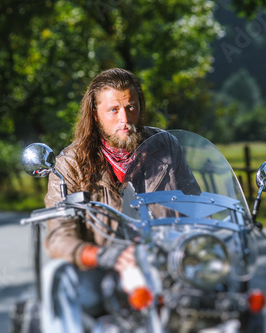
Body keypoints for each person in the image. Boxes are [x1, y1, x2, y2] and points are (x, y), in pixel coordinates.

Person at [41, 68, 199, 329]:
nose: (125, 119)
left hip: (164, 259)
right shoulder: (69, 164)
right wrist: (101, 255)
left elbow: (193, 204)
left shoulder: (166, 146)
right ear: (95, 114)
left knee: (223, 296)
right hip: (103, 266)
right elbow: (59, 237)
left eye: (131, 107)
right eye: (113, 110)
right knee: (75, 291)